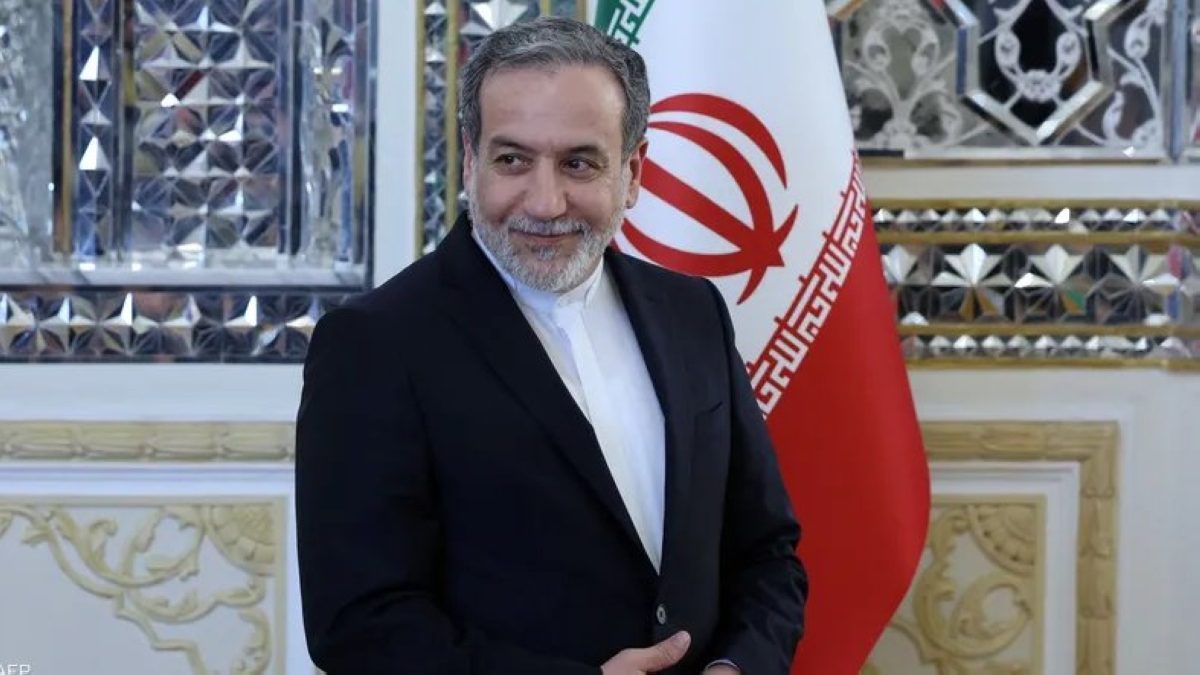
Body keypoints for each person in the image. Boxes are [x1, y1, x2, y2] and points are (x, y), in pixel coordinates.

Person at [294, 15, 807, 675]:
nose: (544, 201)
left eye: (578, 163)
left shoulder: (694, 312)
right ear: (470, 160)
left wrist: (737, 666)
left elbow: (766, 552)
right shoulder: (373, 342)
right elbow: (359, 623)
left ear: (633, 172)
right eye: (513, 159)